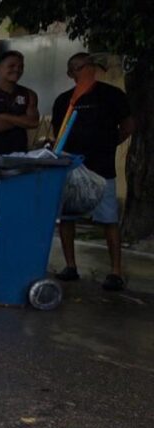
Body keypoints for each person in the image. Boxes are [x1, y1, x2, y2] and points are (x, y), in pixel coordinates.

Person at [51, 53, 135, 290]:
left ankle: (115, 271)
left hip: (102, 167)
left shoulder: (112, 95)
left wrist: (109, 144)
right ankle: (70, 266)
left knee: (108, 219)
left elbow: (128, 125)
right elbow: (60, 134)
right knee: (67, 217)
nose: (84, 71)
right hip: (72, 167)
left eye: (87, 66)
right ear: (71, 74)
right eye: (78, 68)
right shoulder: (64, 101)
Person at [0, 50, 39, 155]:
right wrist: (21, 121)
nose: (17, 70)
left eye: (20, 67)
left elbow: (33, 122)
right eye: (11, 66)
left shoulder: (29, 94)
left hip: (20, 154)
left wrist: (5, 117)